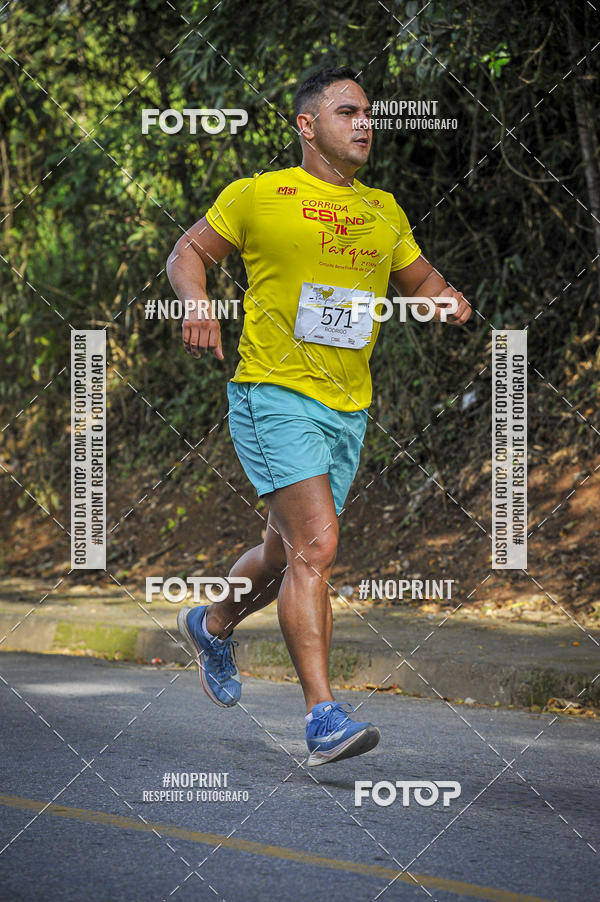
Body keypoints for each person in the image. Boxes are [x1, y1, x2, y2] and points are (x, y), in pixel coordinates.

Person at [166, 66, 471, 766]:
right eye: (347, 112)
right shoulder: (260, 195)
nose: (365, 123)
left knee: (284, 553)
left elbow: (419, 281)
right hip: (271, 394)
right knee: (318, 548)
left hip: (347, 409)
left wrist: (445, 299)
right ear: (308, 126)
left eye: (368, 113)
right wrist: (197, 302)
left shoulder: (384, 210)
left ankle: (211, 624)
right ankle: (321, 717)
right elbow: (190, 252)